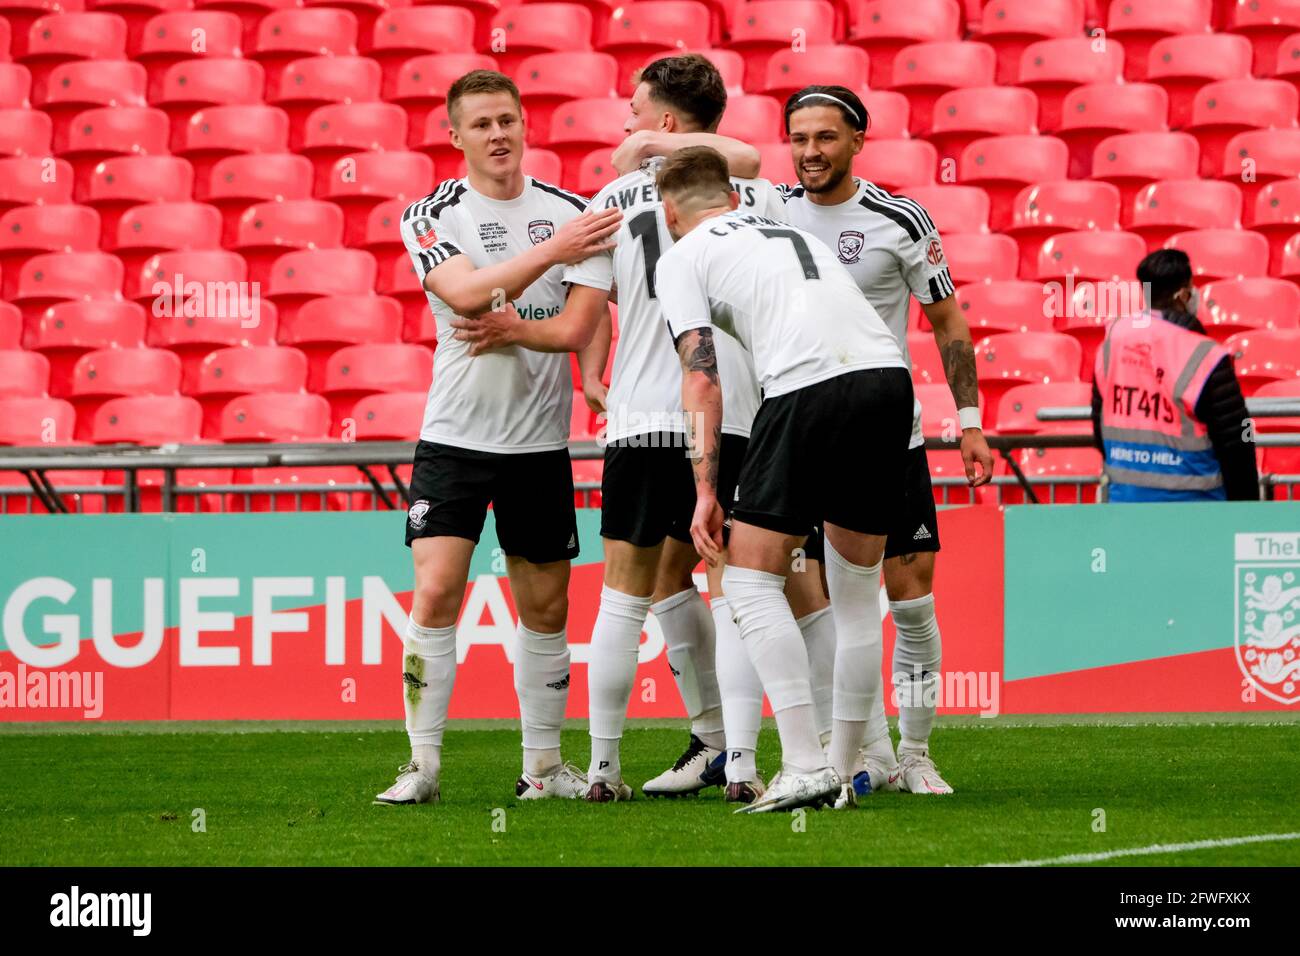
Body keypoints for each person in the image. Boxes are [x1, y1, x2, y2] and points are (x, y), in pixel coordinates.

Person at [450, 54, 795, 804]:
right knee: (731, 590)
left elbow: (578, 324)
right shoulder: (760, 196)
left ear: (666, 123)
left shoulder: (609, 198)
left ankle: (603, 768)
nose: (625, 123)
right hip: (731, 413)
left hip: (640, 419)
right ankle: (738, 760)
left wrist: (513, 328)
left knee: (621, 597)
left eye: (635, 111)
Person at [374, 69, 622, 806]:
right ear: (455, 136)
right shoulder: (432, 213)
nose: (499, 134)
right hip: (453, 438)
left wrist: (590, 370)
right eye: (481, 123)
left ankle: (542, 770)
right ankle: (421, 766)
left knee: (546, 610)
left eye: (508, 119)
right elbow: (462, 293)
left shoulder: (572, 212)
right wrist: (551, 255)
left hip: (539, 446)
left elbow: (585, 319)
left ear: (525, 124)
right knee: (438, 589)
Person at [655, 146, 916, 813]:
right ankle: (844, 769)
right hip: (888, 383)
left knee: (747, 578)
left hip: (808, 387)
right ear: (734, 198)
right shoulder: (790, 231)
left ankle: (802, 763)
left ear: (670, 211)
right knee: (857, 598)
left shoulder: (681, 256)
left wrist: (707, 488)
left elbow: (701, 374)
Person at [779, 85, 993, 796]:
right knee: (817, 606)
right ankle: (857, 755)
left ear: (858, 140)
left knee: (909, 602)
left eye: (826, 137)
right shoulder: (768, 214)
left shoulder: (898, 219)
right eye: (799, 137)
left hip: (885, 439)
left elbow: (949, 324)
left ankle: (917, 749)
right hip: (796, 436)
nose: (810, 151)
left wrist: (967, 422)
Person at [1091, 248, 1259, 501]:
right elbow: (1238, 441)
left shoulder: (1111, 342)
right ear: (1182, 294)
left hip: (1126, 504)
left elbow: (1099, 422)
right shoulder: (1205, 355)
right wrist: (1246, 508)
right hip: (1197, 511)